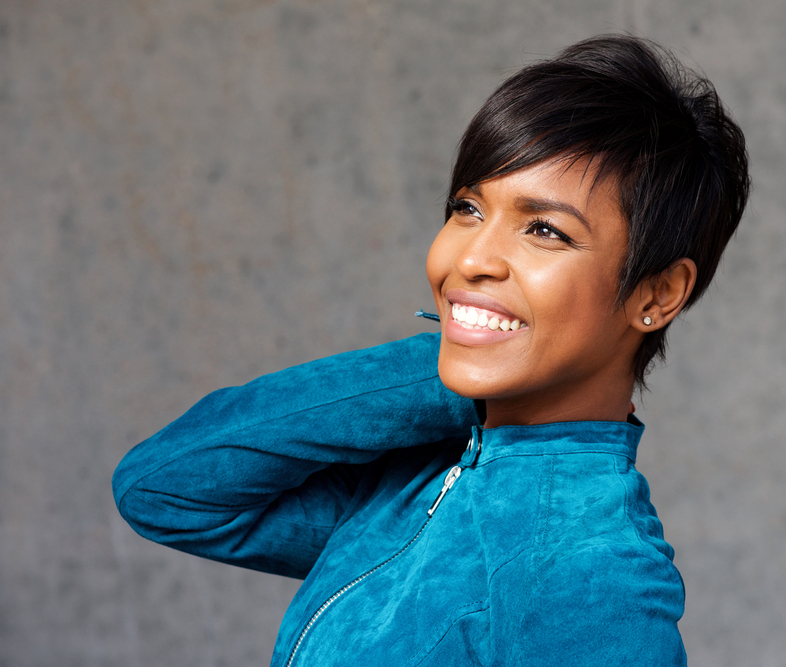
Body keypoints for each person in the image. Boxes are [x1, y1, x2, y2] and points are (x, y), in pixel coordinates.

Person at [113, 34, 749, 666]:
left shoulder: (591, 566)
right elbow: (164, 489)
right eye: (467, 208)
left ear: (659, 293)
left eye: (543, 230)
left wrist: (487, 345)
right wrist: (467, 361)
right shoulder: (415, 482)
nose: (468, 258)